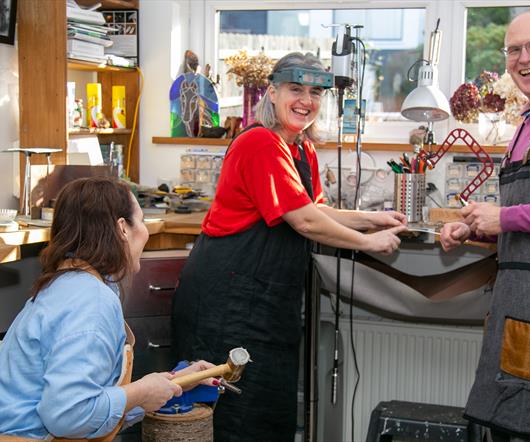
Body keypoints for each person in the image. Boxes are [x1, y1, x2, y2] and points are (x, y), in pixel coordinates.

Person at [172, 51, 408, 442]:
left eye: (316, 92)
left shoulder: (300, 148)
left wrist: (371, 218)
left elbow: (312, 208)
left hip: (266, 305)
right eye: (295, 89)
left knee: (268, 415)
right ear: (272, 92)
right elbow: (304, 221)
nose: (306, 100)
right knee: (234, 420)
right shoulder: (260, 143)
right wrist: (368, 241)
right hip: (227, 304)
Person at [439, 10, 530, 442]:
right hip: (519, 300)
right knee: (508, 423)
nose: (524, 58)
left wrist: (504, 218)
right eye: (513, 49)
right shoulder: (529, 122)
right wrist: (477, 229)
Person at [0, 177, 214, 440]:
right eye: (142, 220)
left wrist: (171, 382)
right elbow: (68, 415)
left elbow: (89, 403)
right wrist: (140, 392)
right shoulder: (91, 300)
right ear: (122, 228)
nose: (145, 232)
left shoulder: (68, 285)